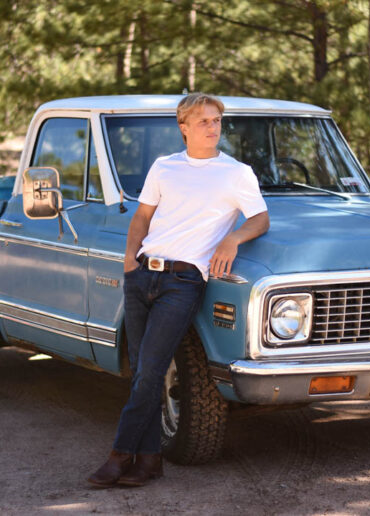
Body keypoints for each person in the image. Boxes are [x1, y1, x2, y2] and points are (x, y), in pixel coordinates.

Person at [88, 92, 270, 488]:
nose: (213, 127)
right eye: (203, 121)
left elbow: (260, 218)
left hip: (184, 282)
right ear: (183, 127)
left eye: (217, 121)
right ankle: (150, 459)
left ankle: (120, 455)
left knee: (151, 370)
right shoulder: (164, 167)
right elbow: (142, 216)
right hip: (143, 276)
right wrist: (129, 262)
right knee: (141, 372)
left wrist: (233, 239)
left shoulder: (236, 173)